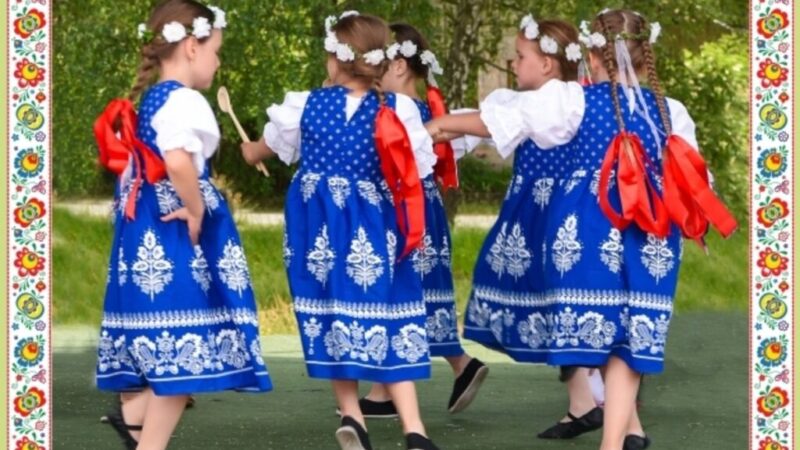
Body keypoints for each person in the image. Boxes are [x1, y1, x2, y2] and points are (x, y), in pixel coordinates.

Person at [426, 9, 736, 449]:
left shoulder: (573, 100)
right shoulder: (670, 110)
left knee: (608, 335)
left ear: (592, 55)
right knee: (628, 339)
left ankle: (616, 437)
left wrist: (440, 125)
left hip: (593, 224)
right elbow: (696, 179)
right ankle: (619, 439)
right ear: (644, 55)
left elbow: (508, 121)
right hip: (652, 231)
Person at [240, 11, 440, 450]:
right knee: (393, 310)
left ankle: (352, 415)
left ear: (337, 58)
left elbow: (265, 148)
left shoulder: (305, 105)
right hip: (377, 226)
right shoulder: (398, 109)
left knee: (329, 309)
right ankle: (415, 429)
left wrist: (247, 150)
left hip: (318, 229)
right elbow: (420, 167)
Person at [94, 2, 272, 448]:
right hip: (174, 233)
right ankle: (146, 441)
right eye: (216, 51)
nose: (218, 61)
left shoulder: (154, 96)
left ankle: (133, 419)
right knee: (187, 345)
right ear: (192, 47)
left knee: (172, 337)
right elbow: (176, 161)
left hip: (145, 229)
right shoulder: (186, 100)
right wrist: (194, 208)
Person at [351, 22, 488, 421]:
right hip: (422, 204)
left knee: (406, 291)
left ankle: (460, 363)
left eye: (376, 66)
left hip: (407, 207)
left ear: (396, 66)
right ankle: (385, 390)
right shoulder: (431, 110)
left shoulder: (403, 112)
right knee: (417, 291)